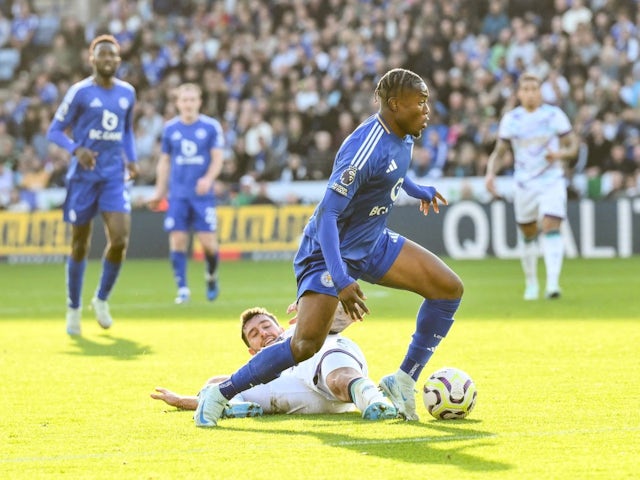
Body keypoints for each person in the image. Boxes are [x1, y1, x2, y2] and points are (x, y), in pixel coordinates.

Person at [195, 68, 464, 427]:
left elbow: (393, 170)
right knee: (305, 344)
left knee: (448, 289)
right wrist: (340, 279)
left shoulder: (404, 131)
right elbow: (327, 217)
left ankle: (402, 382)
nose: (427, 110)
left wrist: (419, 191)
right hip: (327, 250)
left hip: (371, 241)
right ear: (395, 105)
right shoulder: (363, 147)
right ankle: (220, 394)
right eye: (421, 102)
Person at [151, 304, 398, 420]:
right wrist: (181, 401)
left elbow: (338, 317)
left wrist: (338, 310)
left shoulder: (297, 332)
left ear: (279, 326)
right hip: (306, 394)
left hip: (329, 357)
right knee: (219, 382)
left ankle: (375, 401)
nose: (264, 334)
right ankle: (235, 409)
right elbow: (218, 389)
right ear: (252, 351)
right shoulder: (260, 370)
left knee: (333, 375)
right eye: (255, 334)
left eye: (266, 326)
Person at [47, 35, 138, 336]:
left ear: (118, 60)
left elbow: (126, 131)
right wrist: (77, 149)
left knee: (120, 239)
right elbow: (55, 131)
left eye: (113, 54)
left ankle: (100, 299)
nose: (109, 59)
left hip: (113, 176)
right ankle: (73, 308)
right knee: (79, 244)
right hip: (83, 177)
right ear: (92, 58)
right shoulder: (80, 92)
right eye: (103, 54)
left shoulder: (127, 93)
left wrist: (132, 159)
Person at [485, 72, 578, 301]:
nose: (530, 93)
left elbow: (573, 145)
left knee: (550, 225)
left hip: (551, 179)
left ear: (540, 92)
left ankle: (553, 284)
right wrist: (490, 173)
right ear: (519, 93)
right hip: (524, 183)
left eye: (534, 89)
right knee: (528, 232)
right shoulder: (511, 119)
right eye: (525, 89)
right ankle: (531, 283)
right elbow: (500, 151)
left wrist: (560, 154)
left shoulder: (554, 115)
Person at [147, 83, 224, 304]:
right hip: (178, 194)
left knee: (208, 242)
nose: (188, 104)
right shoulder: (170, 128)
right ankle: (182, 289)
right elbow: (164, 161)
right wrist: (159, 192)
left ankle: (211, 276)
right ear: (178, 103)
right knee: (178, 239)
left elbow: (218, 158)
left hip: (202, 196)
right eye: (184, 100)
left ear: (199, 102)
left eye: (192, 99)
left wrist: (208, 179)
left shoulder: (211, 127)